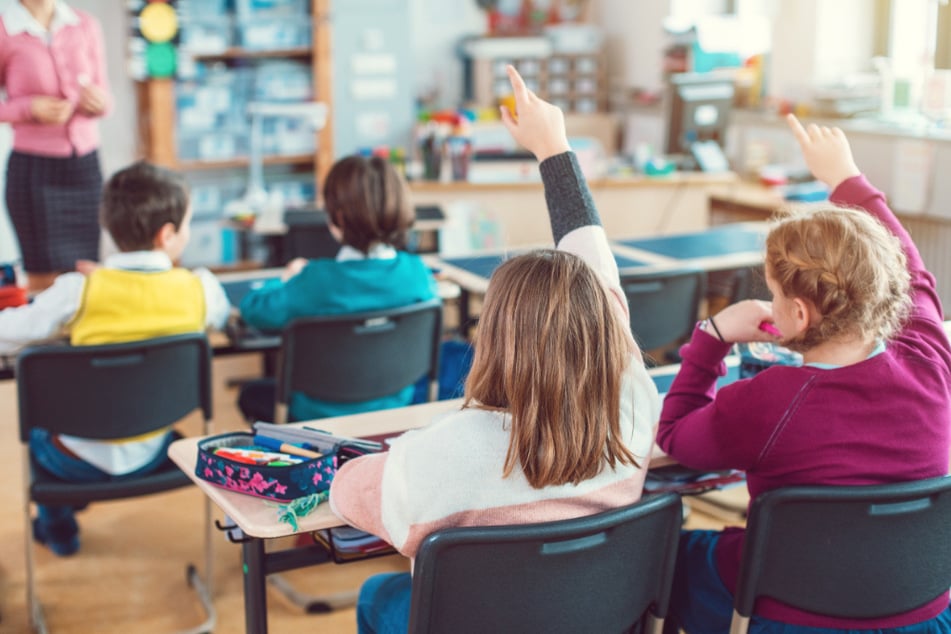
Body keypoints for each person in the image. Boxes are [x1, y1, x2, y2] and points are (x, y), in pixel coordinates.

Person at [329, 65, 661, 634]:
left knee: (377, 596)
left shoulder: (442, 454)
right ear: (605, 327)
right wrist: (553, 148)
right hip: (591, 614)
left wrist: (393, 458)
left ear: (495, 338)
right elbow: (599, 270)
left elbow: (346, 492)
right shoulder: (634, 403)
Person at [657, 115, 951, 632]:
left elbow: (675, 436)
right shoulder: (930, 359)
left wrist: (711, 336)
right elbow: (917, 274)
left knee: (660, 557)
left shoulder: (764, 400)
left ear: (796, 314)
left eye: (772, 292)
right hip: (920, 612)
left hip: (793, 616)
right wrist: (847, 178)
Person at [0, 161, 231, 556]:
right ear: (168, 234)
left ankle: (60, 533)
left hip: (73, 461)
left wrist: (92, 285)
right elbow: (223, 316)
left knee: (37, 431)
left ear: (109, 226)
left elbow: (7, 336)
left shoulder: (78, 292)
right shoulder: (201, 290)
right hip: (155, 448)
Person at [236, 155, 438, 422]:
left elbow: (254, 310)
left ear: (338, 218)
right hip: (395, 411)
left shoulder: (315, 280)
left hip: (317, 417)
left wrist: (286, 279)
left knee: (250, 394)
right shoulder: (417, 273)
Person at [0, 0, 112, 293]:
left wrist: (98, 104)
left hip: (85, 168)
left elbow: (106, 98)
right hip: (34, 172)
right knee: (45, 282)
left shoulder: (85, 24)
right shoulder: (4, 28)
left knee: (87, 278)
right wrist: (28, 108)